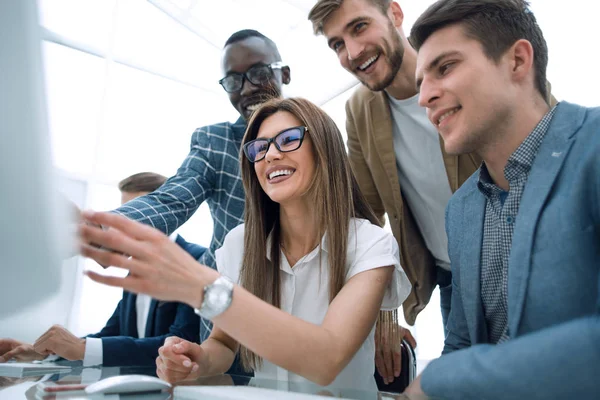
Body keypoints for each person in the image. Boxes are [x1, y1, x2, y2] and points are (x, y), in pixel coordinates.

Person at [79, 97, 411, 392]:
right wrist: (199, 359)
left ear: (325, 150)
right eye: (259, 147)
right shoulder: (239, 243)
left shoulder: (370, 243)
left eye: (289, 139)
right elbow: (223, 344)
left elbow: (327, 359)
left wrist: (204, 288)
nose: (271, 154)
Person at [307, 0, 556, 388]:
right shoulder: (359, 110)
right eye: (337, 44)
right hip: (449, 274)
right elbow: (367, 218)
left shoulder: (470, 73)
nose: (352, 52)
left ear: (394, 13)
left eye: (359, 27)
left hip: (526, 257)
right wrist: (383, 309)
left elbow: (542, 134)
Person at [400, 1, 600, 398]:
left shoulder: (593, 147)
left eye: (445, 68)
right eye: (422, 80)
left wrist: (439, 380)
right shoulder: (460, 211)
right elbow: (460, 343)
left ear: (517, 61)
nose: (423, 97)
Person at [0, 172, 206, 367]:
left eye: (139, 212)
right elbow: (110, 335)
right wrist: (43, 351)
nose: (130, 221)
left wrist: (81, 348)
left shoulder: (198, 260)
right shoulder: (134, 269)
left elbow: (182, 343)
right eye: (125, 212)